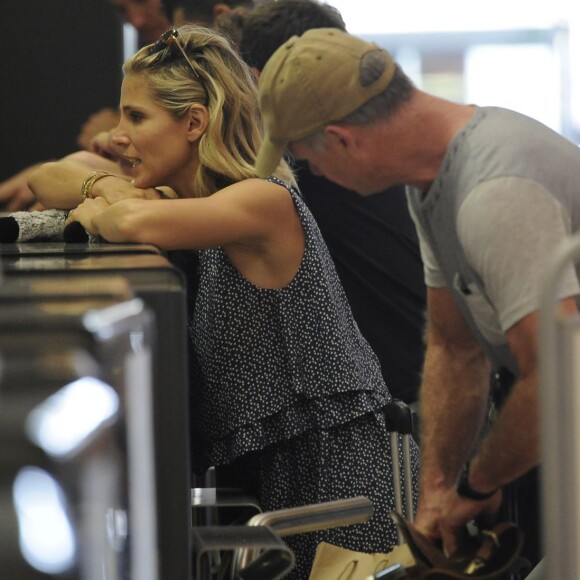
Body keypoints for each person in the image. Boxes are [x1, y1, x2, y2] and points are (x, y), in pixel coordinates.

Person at [28, 25, 420, 578]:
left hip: (333, 467)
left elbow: (130, 221)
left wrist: (111, 199)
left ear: (192, 122)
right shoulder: (193, 203)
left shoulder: (261, 200)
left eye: (136, 117)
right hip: (271, 470)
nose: (118, 136)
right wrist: (107, 191)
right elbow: (51, 177)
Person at [253, 27, 580, 571]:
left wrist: (477, 485)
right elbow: (455, 347)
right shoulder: (431, 180)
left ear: (342, 140)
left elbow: (561, 373)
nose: (314, 175)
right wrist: (437, 490)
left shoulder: (492, 192)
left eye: (305, 159)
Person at [239, 0, 426, 406]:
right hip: (415, 379)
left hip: (399, 403)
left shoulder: (314, 152)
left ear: (258, 81)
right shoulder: (364, 135)